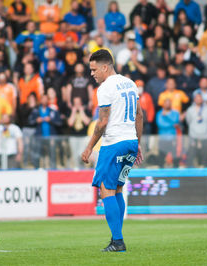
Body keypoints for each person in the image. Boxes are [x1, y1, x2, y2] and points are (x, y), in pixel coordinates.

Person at [81, 50, 143, 252]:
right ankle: (117, 238)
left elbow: (102, 122)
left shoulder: (105, 88)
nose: (92, 74)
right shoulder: (130, 84)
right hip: (130, 142)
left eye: (93, 69)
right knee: (117, 188)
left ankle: (117, 241)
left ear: (105, 67)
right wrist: (137, 142)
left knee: (105, 189)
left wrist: (89, 147)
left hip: (114, 143)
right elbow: (139, 116)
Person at [29, 94, 62, 169]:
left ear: (48, 100)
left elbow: (60, 122)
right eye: (43, 99)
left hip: (50, 137)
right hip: (39, 137)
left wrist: (51, 120)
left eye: (46, 99)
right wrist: (36, 120)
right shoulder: (36, 111)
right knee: (37, 154)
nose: (44, 101)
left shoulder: (52, 111)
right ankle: (37, 168)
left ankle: (53, 169)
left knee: (52, 154)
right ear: (40, 100)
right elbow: (30, 122)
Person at [185, 93, 207, 167]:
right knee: (191, 157)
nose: (198, 100)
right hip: (193, 136)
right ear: (194, 99)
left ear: (202, 99)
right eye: (197, 98)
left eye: (200, 98)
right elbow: (188, 121)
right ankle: (191, 175)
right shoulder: (190, 109)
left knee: (206, 157)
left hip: (206, 136)